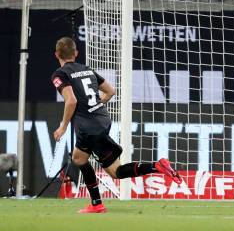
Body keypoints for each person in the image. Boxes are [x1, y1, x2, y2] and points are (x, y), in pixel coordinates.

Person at [51, 37, 182, 213]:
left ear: (57, 54)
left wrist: (63, 126)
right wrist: (96, 105)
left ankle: (97, 204)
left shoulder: (59, 74)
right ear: (76, 53)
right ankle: (157, 166)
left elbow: (71, 101)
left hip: (88, 127)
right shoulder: (87, 70)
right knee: (114, 171)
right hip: (102, 120)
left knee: (79, 159)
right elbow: (110, 91)